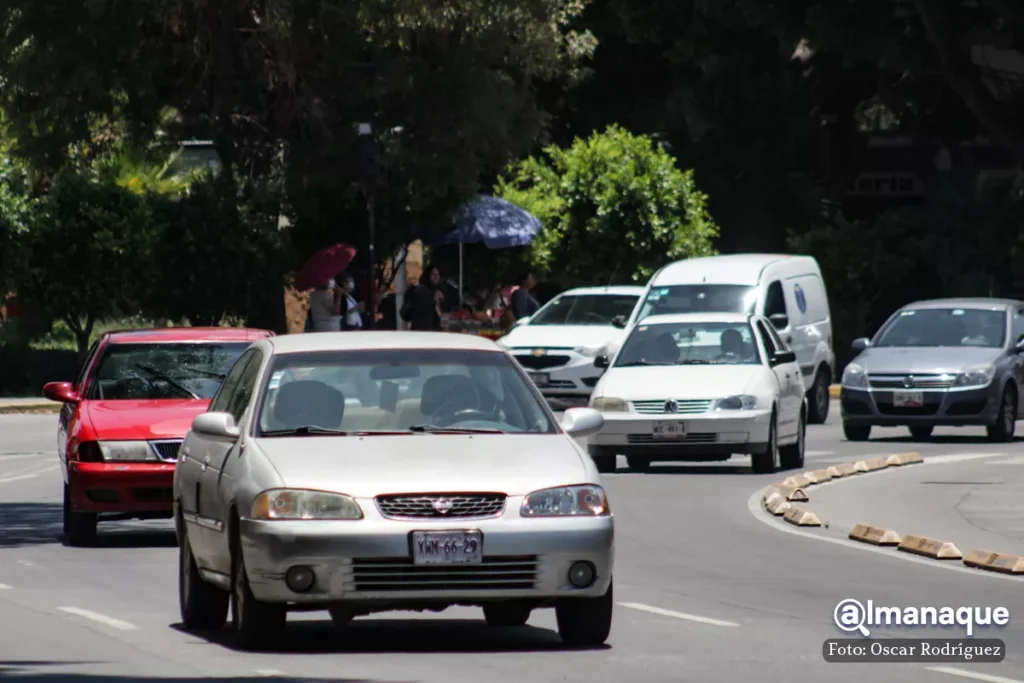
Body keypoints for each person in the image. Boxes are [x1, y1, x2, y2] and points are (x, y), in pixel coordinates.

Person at [401, 265, 444, 331]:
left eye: (438, 275)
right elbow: (423, 310)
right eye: (434, 274)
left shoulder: (433, 290)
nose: (436, 277)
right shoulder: (421, 290)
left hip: (428, 330)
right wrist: (434, 300)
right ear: (428, 275)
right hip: (421, 331)